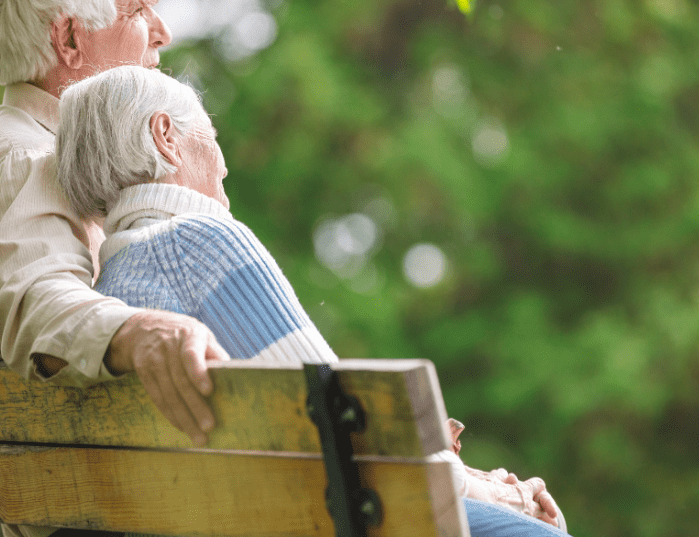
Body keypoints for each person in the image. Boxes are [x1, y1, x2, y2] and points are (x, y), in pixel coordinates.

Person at [55, 65, 570, 536]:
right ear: (166, 137)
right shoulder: (199, 242)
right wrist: (506, 494)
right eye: (211, 137)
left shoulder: (111, 281)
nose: (225, 165)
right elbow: (351, 436)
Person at [0, 0, 228, 537]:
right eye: (141, 9)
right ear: (69, 39)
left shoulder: (45, 156)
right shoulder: (25, 159)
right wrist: (141, 329)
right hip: (92, 514)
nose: (163, 34)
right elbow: (37, 302)